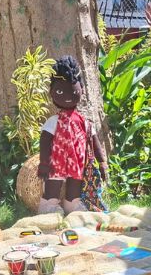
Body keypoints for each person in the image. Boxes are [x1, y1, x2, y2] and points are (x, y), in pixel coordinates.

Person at [37, 56, 108, 214]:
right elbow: (45, 140)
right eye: (60, 91)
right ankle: (49, 207)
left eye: (74, 91)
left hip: (78, 164)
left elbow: (94, 141)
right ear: (53, 92)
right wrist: (43, 163)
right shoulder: (53, 121)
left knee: (74, 189)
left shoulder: (85, 122)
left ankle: (72, 207)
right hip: (56, 163)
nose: (68, 95)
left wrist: (102, 162)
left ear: (80, 90)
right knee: (52, 187)